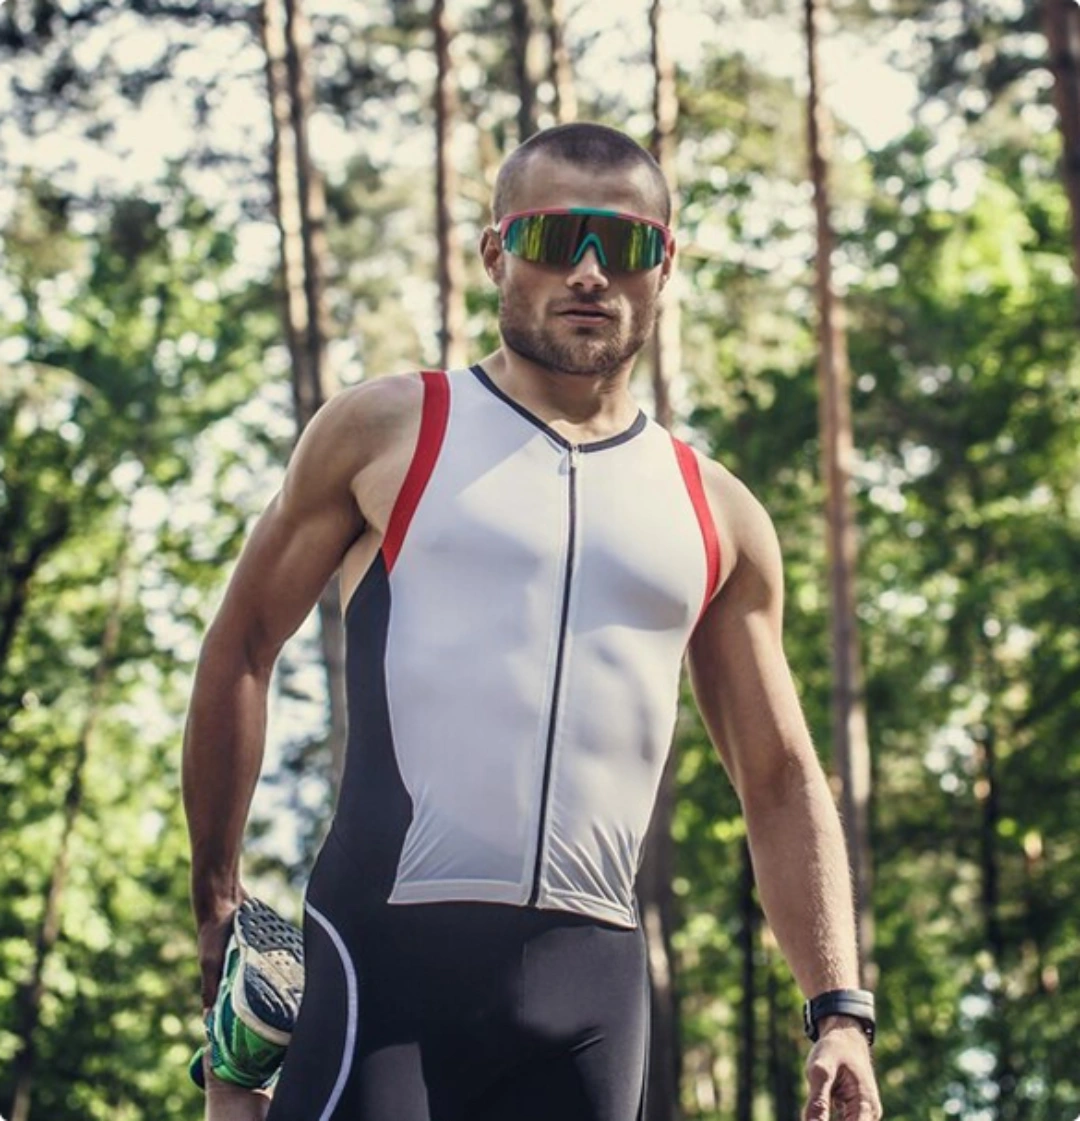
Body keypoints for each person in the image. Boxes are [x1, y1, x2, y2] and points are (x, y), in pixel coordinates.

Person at [182, 121, 883, 1121]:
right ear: (496, 252)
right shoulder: (388, 429)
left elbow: (777, 775)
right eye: (556, 239)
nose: (591, 271)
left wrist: (839, 1010)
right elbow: (242, 646)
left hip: (591, 992)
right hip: (383, 970)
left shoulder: (716, 510)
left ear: (665, 264)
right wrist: (216, 891)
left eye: (627, 244)